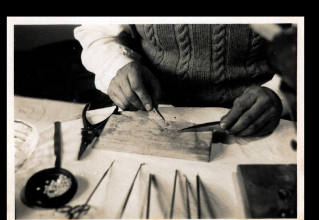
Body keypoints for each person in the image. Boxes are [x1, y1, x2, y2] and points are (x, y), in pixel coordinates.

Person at [74, 24, 288, 137]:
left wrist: (281, 93)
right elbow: (98, 31)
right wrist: (115, 64)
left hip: (258, 116)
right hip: (157, 110)